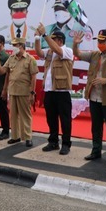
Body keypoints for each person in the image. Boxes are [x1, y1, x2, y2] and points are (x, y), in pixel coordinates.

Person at [74, 29, 106, 165]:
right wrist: (76, 45)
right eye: (99, 41)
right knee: (96, 127)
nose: (100, 43)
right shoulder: (94, 55)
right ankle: (96, 150)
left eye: (103, 41)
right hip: (94, 97)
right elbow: (78, 54)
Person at [34, 26, 74, 155]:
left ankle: (66, 144)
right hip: (50, 90)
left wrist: (44, 34)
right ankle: (53, 141)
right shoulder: (50, 52)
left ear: (60, 40)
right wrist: (37, 38)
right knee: (51, 118)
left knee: (65, 119)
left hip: (62, 92)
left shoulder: (67, 51)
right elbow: (39, 53)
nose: (50, 42)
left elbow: (57, 50)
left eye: (53, 39)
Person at [0, 37, 38, 147]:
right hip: (13, 91)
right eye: (13, 45)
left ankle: (28, 137)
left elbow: (33, 77)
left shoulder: (30, 59)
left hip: (24, 92)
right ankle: (15, 136)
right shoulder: (11, 58)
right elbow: (2, 72)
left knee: (25, 115)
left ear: (21, 46)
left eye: (15, 45)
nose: (13, 47)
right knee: (13, 115)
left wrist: (32, 93)